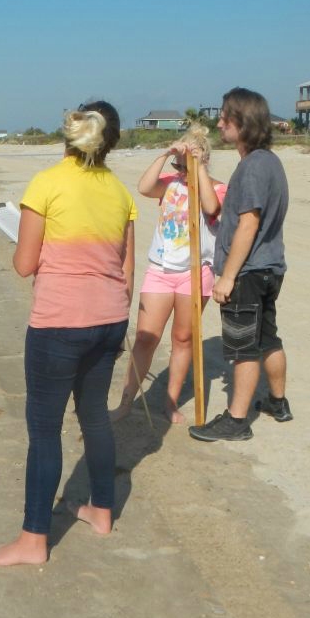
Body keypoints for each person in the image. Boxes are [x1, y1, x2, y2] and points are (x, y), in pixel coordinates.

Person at [0, 101, 137, 566]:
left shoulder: (47, 184)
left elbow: (25, 263)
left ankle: (33, 540)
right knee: (94, 416)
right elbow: (125, 270)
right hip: (110, 318)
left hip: (60, 321)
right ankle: (102, 511)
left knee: (44, 428)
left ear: (68, 137)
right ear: (112, 141)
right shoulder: (120, 192)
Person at [189, 88, 291, 442]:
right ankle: (278, 403)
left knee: (243, 348)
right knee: (267, 338)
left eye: (224, 118)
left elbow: (248, 223)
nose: (219, 123)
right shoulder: (271, 162)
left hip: (247, 271)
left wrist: (227, 277)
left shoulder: (251, 168)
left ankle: (236, 420)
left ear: (241, 122)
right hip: (271, 266)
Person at [110, 123, 225, 425]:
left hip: (195, 273)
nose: (181, 171)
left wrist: (196, 167)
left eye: (184, 166)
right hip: (161, 270)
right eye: (179, 165)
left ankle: (171, 402)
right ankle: (125, 402)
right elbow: (144, 187)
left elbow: (212, 207)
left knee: (183, 338)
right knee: (146, 338)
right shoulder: (171, 184)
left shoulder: (217, 187)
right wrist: (165, 154)